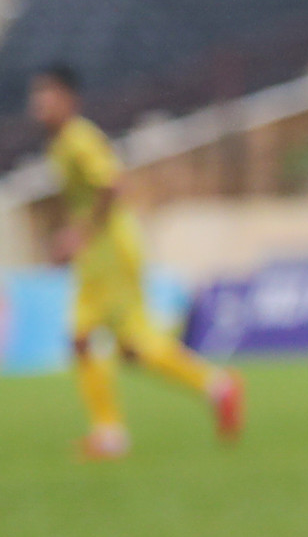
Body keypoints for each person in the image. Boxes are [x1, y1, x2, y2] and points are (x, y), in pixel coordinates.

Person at [28, 64, 244, 460]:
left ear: (67, 99)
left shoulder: (78, 139)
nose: (38, 103)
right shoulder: (59, 144)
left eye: (47, 94)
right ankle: (217, 387)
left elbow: (112, 183)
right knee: (132, 348)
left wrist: (80, 235)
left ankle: (110, 433)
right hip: (104, 251)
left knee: (84, 337)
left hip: (109, 251)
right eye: (36, 95)